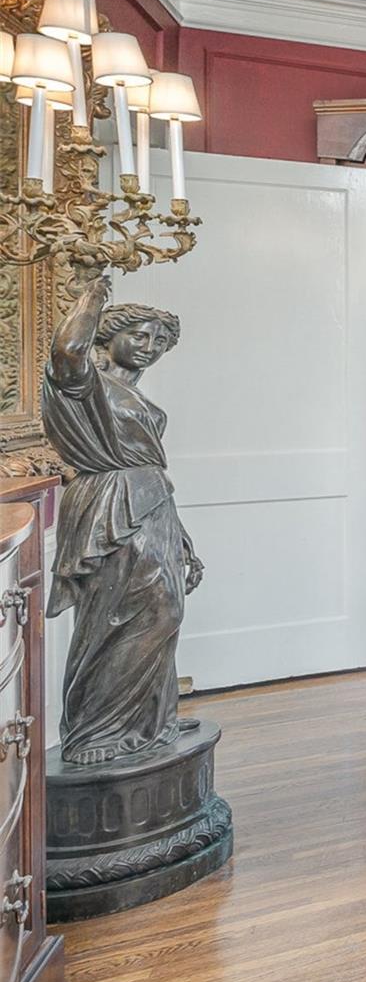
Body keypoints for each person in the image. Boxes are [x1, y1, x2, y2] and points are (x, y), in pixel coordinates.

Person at [42, 273, 203, 766]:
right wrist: (91, 296)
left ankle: (152, 721)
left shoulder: (131, 394)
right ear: (109, 336)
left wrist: (180, 538)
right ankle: (96, 731)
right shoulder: (87, 386)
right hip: (111, 501)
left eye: (159, 340)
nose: (150, 346)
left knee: (165, 610)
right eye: (139, 335)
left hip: (149, 501)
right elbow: (68, 352)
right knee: (115, 616)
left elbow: (153, 470)